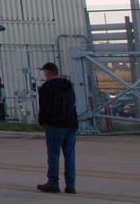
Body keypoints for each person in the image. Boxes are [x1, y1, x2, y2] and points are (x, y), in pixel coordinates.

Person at [36, 61, 78, 194]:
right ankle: (70, 185)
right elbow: (73, 103)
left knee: (53, 154)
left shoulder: (46, 87)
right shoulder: (68, 85)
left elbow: (45, 108)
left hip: (55, 125)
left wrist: (42, 122)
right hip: (71, 123)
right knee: (70, 156)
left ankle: (53, 183)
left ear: (48, 72)